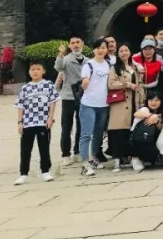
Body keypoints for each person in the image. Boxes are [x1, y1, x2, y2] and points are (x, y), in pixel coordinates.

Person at [14, 60, 58, 184]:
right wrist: (20, 122)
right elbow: (20, 106)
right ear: (29, 72)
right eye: (32, 69)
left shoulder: (48, 85)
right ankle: (23, 174)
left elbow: (52, 102)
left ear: (43, 71)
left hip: (43, 122)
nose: (35, 72)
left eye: (38, 69)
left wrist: (50, 118)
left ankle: (45, 171)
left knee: (44, 148)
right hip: (28, 122)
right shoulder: (25, 88)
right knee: (25, 149)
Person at [79, 38, 112, 177]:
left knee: (98, 134)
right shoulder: (88, 65)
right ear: (93, 50)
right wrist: (85, 82)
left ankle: (93, 158)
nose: (100, 50)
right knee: (86, 134)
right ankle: (84, 164)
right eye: (98, 48)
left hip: (104, 105)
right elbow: (84, 81)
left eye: (103, 47)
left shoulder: (109, 64)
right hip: (88, 104)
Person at [107, 44, 141, 172]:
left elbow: (140, 84)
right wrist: (127, 84)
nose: (124, 53)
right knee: (117, 132)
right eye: (121, 51)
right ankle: (117, 160)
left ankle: (128, 157)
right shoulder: (114, 68)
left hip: (133, 103)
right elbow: (111, 84)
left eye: (126, 50)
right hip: (120, 103)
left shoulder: (134, 67)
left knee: (130, 131)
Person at [55, 35, 84, 166]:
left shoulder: (87, 61)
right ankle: (66, 154)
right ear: (69, 45)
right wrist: (60, 54)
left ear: (82, 44)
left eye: (78, 42)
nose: (75, 45)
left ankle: (77, 151)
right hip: (68, 96)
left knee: (81, 126)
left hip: (83, 97)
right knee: (66, 126)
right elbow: (58, 67)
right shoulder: (66, 59)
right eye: (72, 43)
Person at [130, 91, 163, 172]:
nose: (153, 103)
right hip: (136, 140)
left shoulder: (161, 113)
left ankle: (144, 158)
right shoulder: (145, 109)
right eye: (151, 100)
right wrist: (151, 115)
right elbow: (136, 114)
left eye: (156, 100)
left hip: (149, 140)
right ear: (147, 101)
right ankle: (135, 157)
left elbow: (161, 129)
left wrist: (157, 121)